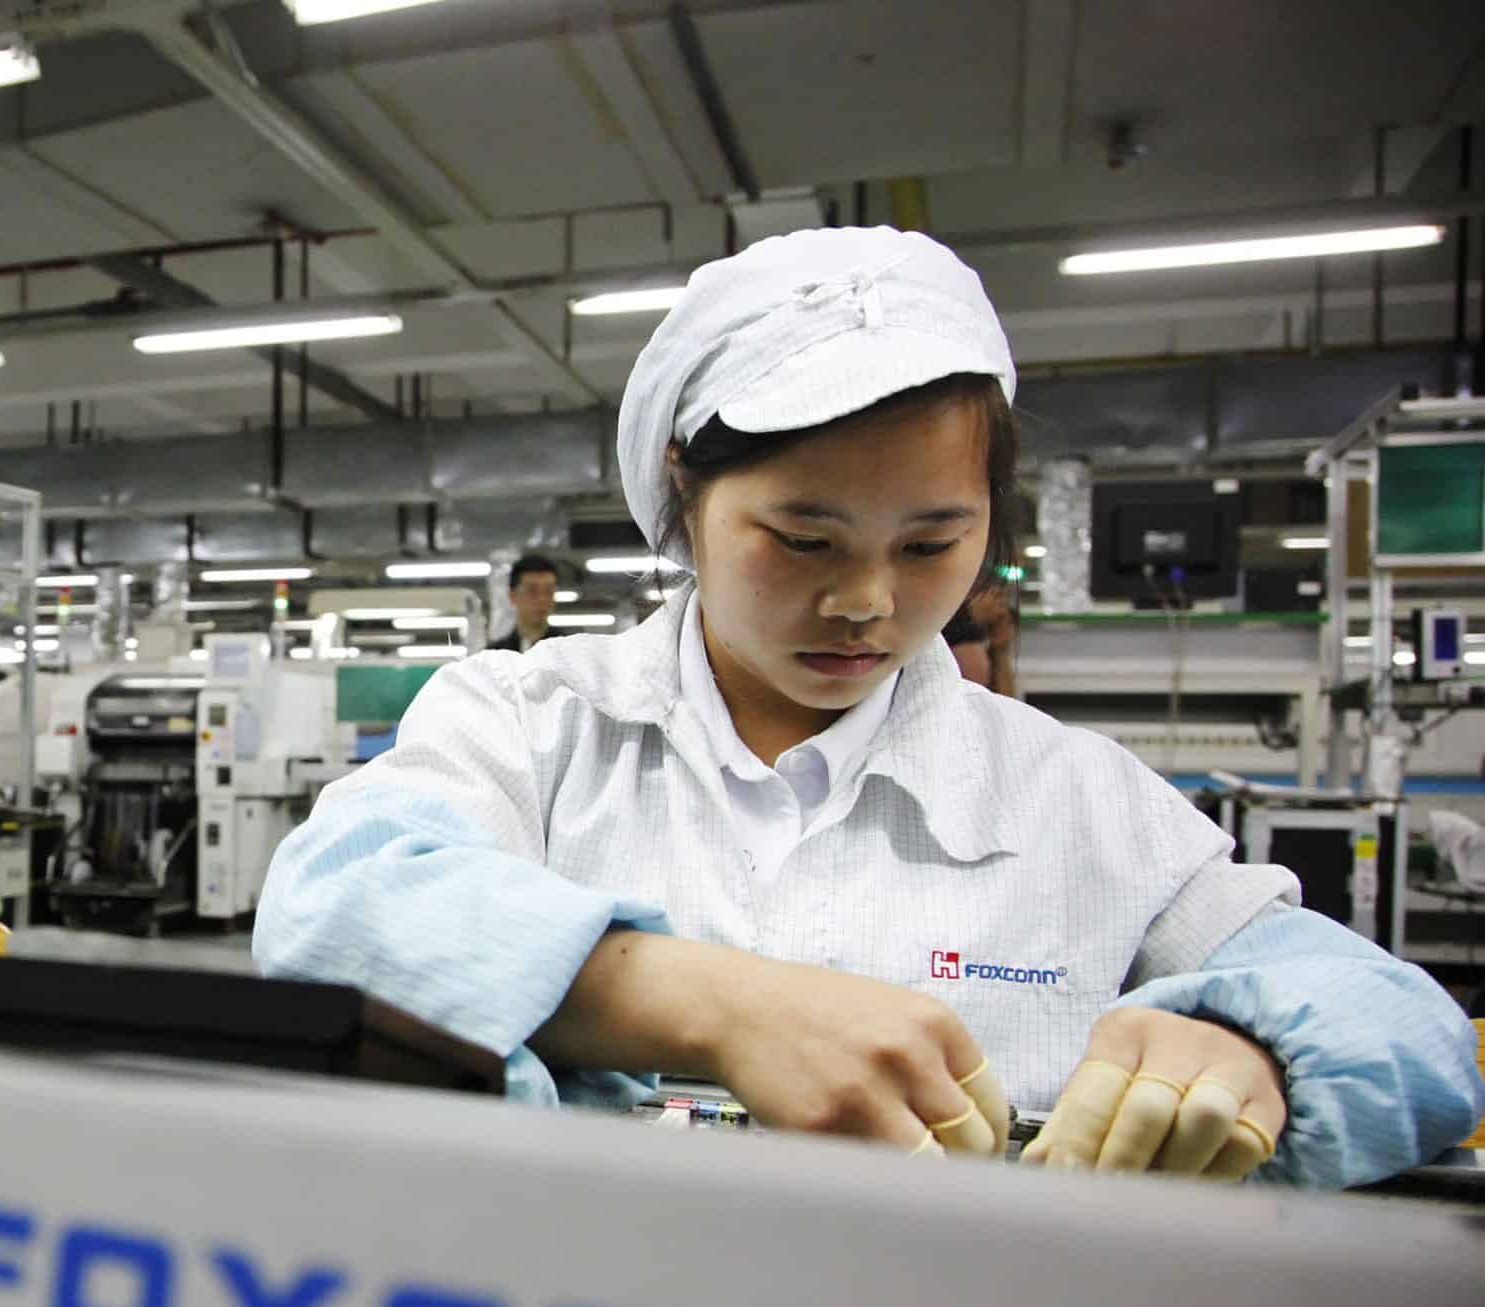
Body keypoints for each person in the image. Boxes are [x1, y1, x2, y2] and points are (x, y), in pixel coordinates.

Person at [255, 227, 1482, 1186]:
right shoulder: (531, 724)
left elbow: (1402, 1024)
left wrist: (1249, 1049)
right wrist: (721, 1006)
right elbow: (334, 912)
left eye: (932, 541)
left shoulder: (1078, 801)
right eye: (801, 538)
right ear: (684, 496)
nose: (865, 602)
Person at [487, 554, 562, 651]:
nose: (542, 599)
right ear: (512, 596)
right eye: (532, 591)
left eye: (548, 591)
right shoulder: (494, 655)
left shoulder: (569, 652)